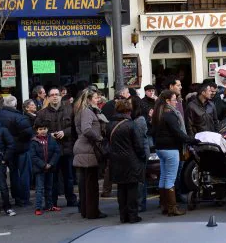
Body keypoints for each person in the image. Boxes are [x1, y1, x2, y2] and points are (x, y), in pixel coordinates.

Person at [151, 90, 199, 216]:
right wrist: (192, 140)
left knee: (164, 176)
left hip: (160, 148)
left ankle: (164, 204)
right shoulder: (170, 114)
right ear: (168, 101)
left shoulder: (158, 113)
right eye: (174, 99)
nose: (176, 102)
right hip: (171, 149)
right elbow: (178, 133)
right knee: (170, 178)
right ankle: (172, 207)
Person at [35, 87, 78, 207]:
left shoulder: (70, 110)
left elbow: (76, 127)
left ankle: (71, 199)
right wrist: (49, 134)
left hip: (67, 148)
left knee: (69, 177)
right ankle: (52, 202)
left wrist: (65, 132)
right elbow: (36, 129)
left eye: (57, 94)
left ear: (60, 96)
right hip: (50, 150)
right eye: (52, 95)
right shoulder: (42, 113)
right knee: (52, 178)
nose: (54, 97)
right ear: (48, 98)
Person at [107, 99, 146, 224]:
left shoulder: (110, 125)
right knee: (132, 189)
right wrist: (142, 157)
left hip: (115, 160)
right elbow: (139, 145)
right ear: (129, 110)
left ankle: (123, 216)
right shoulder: (131, 125)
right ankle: (133, 215)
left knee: (121, 189)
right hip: (131, 160)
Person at [73, 88, 107, 219]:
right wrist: (99, 138)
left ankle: (86, 210)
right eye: (96, 97)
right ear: (88, 99)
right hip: (87, 150)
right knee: (91, 183)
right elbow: (86, 129)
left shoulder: (84, 111)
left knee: (85, 183)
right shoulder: (87, 112)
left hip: (84, 149)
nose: (98, 99)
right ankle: (92, 212)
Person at [0, 95, 34, 207]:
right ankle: (23, 199)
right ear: (15, 104)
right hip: (20, 148)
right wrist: (18, 139)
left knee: (13, 174)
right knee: (23, 174)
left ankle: (16, 197)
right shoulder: (19, 117)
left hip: (6, 150)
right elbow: (28, 133)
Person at [30, 121, 61, 215]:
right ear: (37, 131)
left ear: (47, 129)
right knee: (40, 188)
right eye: (40, 129)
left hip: (50, 168)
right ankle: (38, 207)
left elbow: (57, 152)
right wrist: (44, 165)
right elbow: (33, 156)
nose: (43, 131)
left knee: (49, 187)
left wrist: (50, 164)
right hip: (40, 169)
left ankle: (49, 205)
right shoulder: (34, 141)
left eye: (44, 129)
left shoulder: (52, 140)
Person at [131, 96, 151, 213]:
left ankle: (140, 204)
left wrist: (142, 154)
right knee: (139, 179)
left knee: (140, 180)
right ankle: (139, 203)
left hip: (140, 153)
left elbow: (140, 140)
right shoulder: (137, 119)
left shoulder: (140, 120)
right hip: (139, 152)